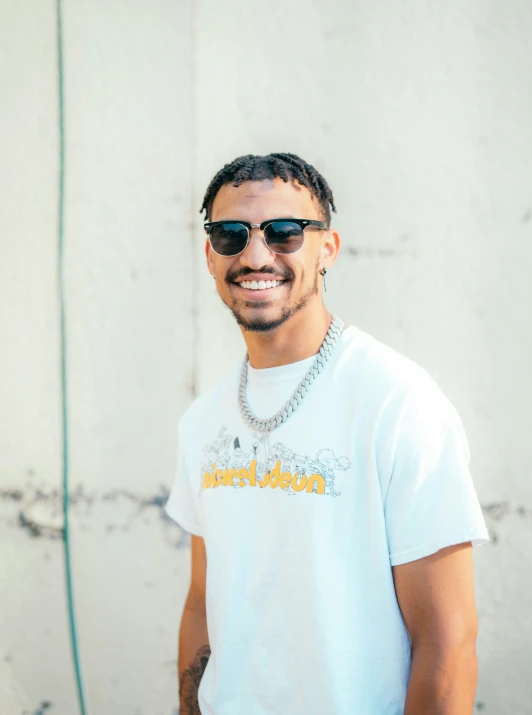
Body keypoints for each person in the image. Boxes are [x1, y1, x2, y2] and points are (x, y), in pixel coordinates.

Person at [165, 152, 490, 715]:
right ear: (210, 255)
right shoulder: (203, 421)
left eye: (285, 232)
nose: (256, 254)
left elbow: (448, 643)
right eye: (230, 234)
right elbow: (202, 603)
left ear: (327, 251)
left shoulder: (396, 401)